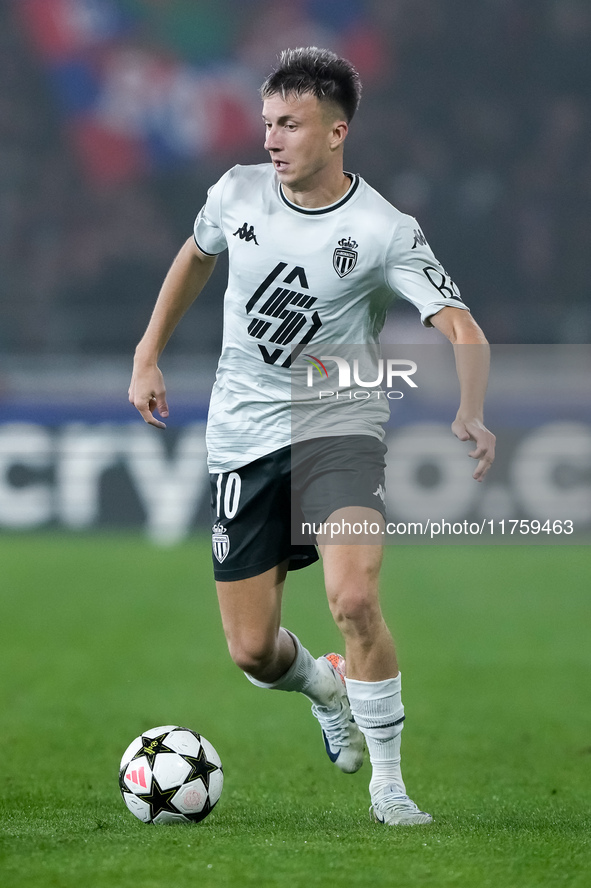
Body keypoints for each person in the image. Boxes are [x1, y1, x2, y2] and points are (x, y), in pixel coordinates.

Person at [129, 47, 495, 826]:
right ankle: (324, 688)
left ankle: (388, 785)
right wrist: (147, 351)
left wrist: (470, 406)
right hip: (243, 433)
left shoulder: (383, 229)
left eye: (288, 124)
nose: (270, 139)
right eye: (266, 123)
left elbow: (459, 323)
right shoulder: (236, 193)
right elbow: (196, 255)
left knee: (354, 597)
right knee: (252, 652)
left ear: (335, 132)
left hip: (338, 424)